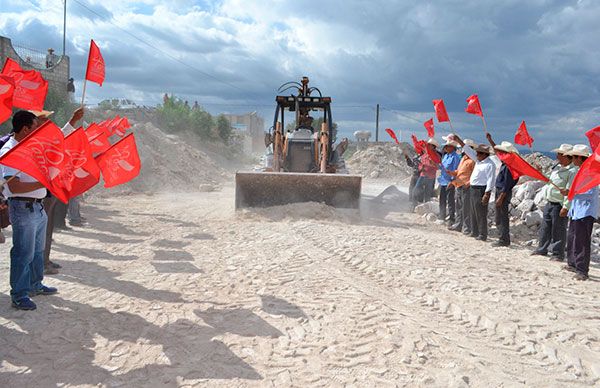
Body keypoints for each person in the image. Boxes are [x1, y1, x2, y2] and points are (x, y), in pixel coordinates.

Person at [1, 111, 58, 310]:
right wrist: (41, 183)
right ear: (25, 129)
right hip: (22, 207)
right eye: (35, 127)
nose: (37, 131)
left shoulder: (29, 147)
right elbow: (14, 186)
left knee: (36, 251)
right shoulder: (10, 151)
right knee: (23, 253)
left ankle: (35, 284)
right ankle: (19, 294)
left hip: (36, 208)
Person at [30, 108, 84, 274]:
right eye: (43, 119)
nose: (47, 122)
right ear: (34, 122)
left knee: (47, 227)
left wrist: (73, 120)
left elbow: (60, 136)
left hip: (48, 190)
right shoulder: (31, 140)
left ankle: (45, 259)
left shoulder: (44, 137)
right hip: (38, 192)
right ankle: (41, 264)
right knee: (41, 230)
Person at [530, 144, 575, 261]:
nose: (557, 156)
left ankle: (557, 254)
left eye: (560, 154)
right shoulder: (557, 168)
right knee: (545, 227)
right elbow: (549, 180)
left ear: (567, 157)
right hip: (550, 202)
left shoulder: (572, 171)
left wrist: (565, 207)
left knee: (558, 229)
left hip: (559, 204)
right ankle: (542, 248)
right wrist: (541, 172)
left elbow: (570, 190)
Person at [563, 145, 597, 281]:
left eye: (574, 157)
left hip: (585, 212)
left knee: (582, 241)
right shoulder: (580, 171)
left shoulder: (590, 173)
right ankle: (573, 263)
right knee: (573, 238)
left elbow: (589, 193)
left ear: (579, 158)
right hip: (577, 211)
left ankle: (582, 270)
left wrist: (572, 193)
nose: (572, 159)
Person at [453, 135, 496, 241]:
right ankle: (474, 231)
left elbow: (491, 179)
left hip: (481, 189)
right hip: (473, 188)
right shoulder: (478, 160)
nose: (476, 154)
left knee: (480, 212)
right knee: (473, 210)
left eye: (479, 153)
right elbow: (468, 150)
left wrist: (487, 193)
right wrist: (458, 140)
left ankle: (482, 234)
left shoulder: (490, 164)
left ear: (484, 154)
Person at [488, 137, 519, 247]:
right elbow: (497, 152)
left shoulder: (509, 167)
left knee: (502, 216)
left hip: (503, 192)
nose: (500, 154)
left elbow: (506, 184)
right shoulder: (506, 163)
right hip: (501, 191)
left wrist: (501, 197)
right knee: (500, 215)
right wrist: (491, 140)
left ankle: (504, 239)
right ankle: (502, 238)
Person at [448, 139, 476, 234]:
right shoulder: (463, 159)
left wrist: (468, 183)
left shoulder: (473, 161)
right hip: (459, 185)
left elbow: (475, 174)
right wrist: (452, 173)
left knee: (466, 208)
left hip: (466, 187)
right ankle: (458, 225)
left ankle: (467, 227)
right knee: (459, 207)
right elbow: (459, 172)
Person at [438, 136, 461, 224]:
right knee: (442, 199)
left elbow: (456, 170)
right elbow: (442, 167)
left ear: (452, 147)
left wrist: (452, 181)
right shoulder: (446, 156)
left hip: (449, 182)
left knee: (450, 200)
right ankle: (442, 216)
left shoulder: (456, 157)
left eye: (447, 146)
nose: (445, 148)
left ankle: (451, 218)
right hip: (443, 180)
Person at [411, 138, 439, 209]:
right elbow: (420, 165)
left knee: (427, 194)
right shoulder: (425, 155)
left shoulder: (436, 156)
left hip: (430, 177)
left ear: (433, 147)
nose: (428, 146)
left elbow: (438, 167)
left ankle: (426, 209)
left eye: (430, 145)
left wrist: (431, 164)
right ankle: (414, 206)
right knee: (415, 191)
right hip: (423, 175)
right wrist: (421, 168)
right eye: (428, 145)